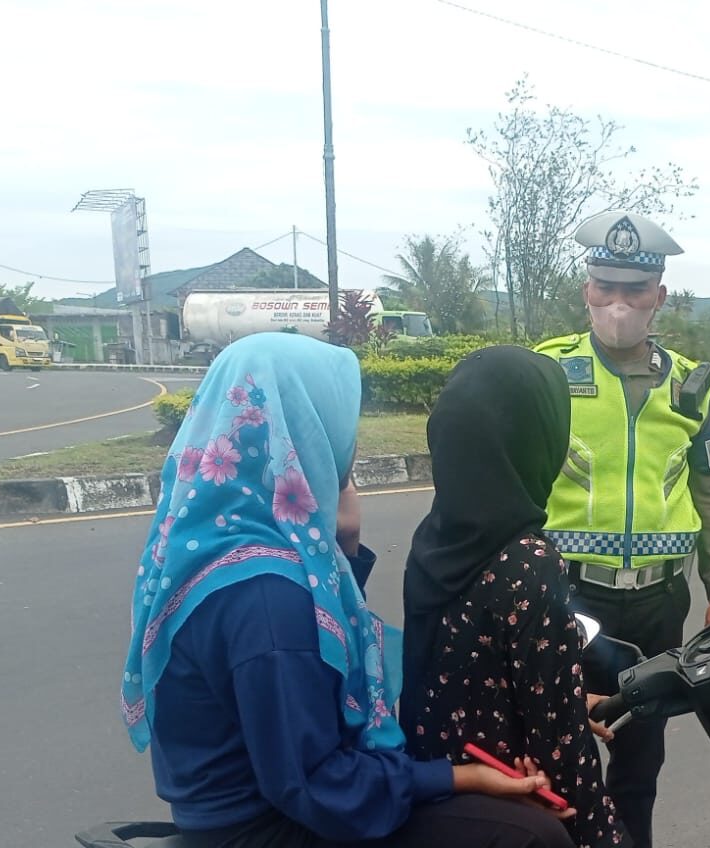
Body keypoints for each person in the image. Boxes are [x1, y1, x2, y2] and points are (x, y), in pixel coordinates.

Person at [121, 332, 574, 848]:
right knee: (530, 836)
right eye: (335, 419)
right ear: (300, 431)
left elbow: (310, 673)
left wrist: (347, 547)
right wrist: (462, 777)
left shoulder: (213, 538)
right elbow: (318, 783)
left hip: (240, 805)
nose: (348, 439)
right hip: (269, 826)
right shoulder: (268, 595)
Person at [533, 210, 710, 848]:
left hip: (657, 602)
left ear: (660, 297)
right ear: (586, 290)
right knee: (556, 754)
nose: (619, 303)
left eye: (634, 291)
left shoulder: (690, 384)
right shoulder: (544, 370)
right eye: (606, 287)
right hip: (567, 595)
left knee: (639, 761)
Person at [401, 346, 630, 848]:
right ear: (538, 438)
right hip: (516, 801)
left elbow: (463, 672)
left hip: (443, 787)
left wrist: (571, 695)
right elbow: (561, 748)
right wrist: (601, 833)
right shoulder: (527, 562)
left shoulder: (436, 538)